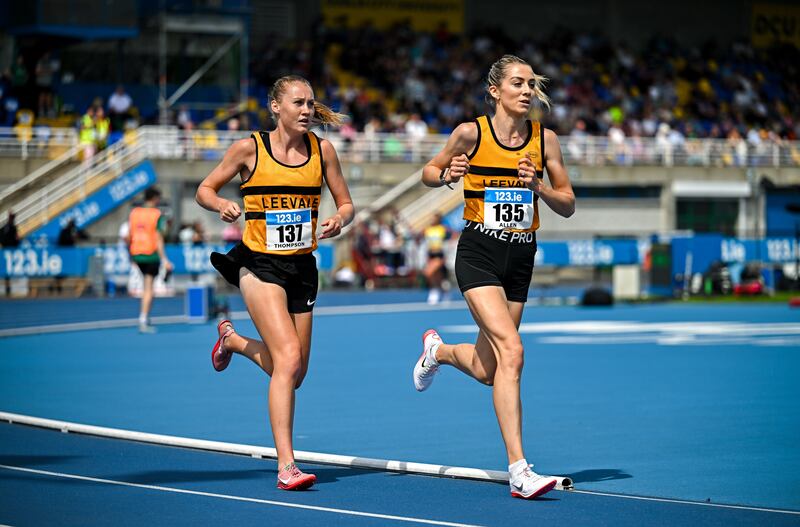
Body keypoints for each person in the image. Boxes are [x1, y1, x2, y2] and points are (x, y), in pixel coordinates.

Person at [412, 55, 575, 500]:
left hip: (520, 258)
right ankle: (519, 470)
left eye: (531, 84)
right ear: (495, 91)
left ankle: (438, 352)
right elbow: (428, 173)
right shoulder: (471, 133)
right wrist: (447, 175)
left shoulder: (546, 141)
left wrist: (537, 186)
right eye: (518, 84)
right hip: (479, 252)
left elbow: (568, 202)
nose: (526, 91)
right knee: (512, 351)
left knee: (489, 369)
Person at [196, 74, 354, 491]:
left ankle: (232, 341)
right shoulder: (250, 148)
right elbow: (204, 190)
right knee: (286, 359)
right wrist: (222, 203)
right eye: (298, 103)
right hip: (258, 264)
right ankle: (287, 465)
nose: (306, 110)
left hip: (301, 267)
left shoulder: (324, 152)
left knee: (296, 371)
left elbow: (347, 202)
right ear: (276, 107)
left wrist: (340, 218)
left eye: (311, 103)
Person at [126, 186, 172, 333]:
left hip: (136, 252)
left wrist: (130, 253)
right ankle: (143, 318)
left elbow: (128, 235)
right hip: (150, 253)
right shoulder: (156, 214)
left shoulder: (134, 213)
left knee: (145, 285)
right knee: (148, 288)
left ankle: (144, 317)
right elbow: (159, 238)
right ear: (154, 198)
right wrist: (165, 259)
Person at [422, 212, 451, 304]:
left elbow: (448, 240)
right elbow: (426, 243)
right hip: (431, 254)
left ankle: (434, 291)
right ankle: (444, 291)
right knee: (437, 276)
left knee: (429, 273)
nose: (431, 220)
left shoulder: (442, 229)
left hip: (439, 254)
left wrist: (446, 255)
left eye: (433, 218)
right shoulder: (428, 230)